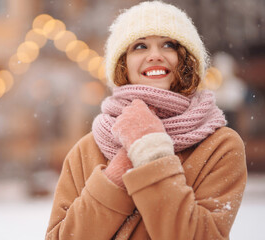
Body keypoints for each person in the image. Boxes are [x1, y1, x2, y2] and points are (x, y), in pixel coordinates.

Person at [46, 1, 247, 239]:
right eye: (140, 46)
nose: (154, 56)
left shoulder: (221, 147)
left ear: (186, 59)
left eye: (168, 45)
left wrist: (150, 152)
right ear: (123, 64)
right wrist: (114, 179)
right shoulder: (86, 150)